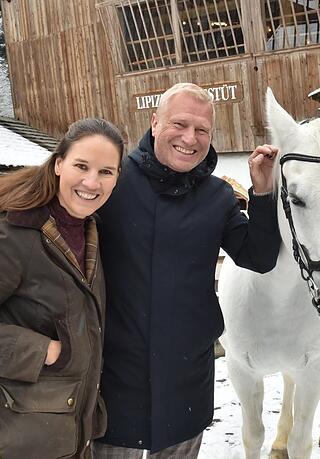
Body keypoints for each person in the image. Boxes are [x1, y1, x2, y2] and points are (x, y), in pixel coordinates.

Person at [93, 83, 281, 458]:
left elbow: (258, 257)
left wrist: (262, 192)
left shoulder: (218, 196)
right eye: (179, 124)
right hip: (115, 377)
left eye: (202, 130)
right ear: (154, 123)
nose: (190, 138)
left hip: (185, 378)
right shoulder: (112, 183)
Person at [0, 118, 125, 459]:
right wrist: (42, 351)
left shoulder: (90, 232)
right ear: (59, 163)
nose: (92, 181)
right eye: (81, 166)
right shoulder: (10, 236)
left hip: (65, 434)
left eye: (106, 171)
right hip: (8, 441)